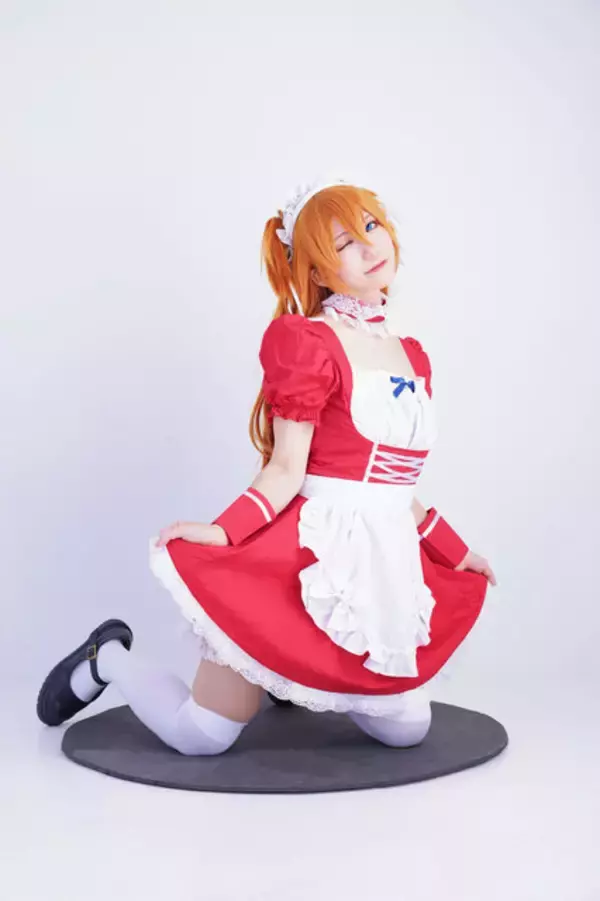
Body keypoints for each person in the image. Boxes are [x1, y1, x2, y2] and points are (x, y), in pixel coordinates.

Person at [37, 179, 496, 757]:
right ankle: (107, 659)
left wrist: (455, 551)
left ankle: (291, 685)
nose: (367, 246)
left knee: (407, 730)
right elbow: (285, 469)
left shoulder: (412, 355)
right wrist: (222, 534)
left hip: (379, 561)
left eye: (371, 226)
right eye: (343, 244)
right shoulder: (309, 344)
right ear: (318, 271)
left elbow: (396, 487)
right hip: (306, 555)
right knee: (201, 736)